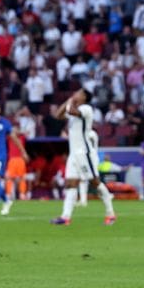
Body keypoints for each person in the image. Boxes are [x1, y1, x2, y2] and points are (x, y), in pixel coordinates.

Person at [50, 89, 116, 226]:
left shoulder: (86, 109)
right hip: (73, 154)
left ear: (84, 97)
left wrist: (71, 102)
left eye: (79, 93)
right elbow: (58, 115)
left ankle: (110, 213)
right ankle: (65, 217)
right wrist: (69, 101)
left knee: (95, 182)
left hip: (84, 153)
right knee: (70, 184)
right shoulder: (74, 108)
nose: (75, 94)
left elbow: (71, 112)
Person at [5, 131, 29, 200]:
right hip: (12, 159)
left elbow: (27, 133)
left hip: (20, 159)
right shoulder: (10, 137)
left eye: (17, 128)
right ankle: (8, 194)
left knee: (22, 178)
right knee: (9, 178)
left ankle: (22, 194)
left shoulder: (22, 137)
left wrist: (21, 132)